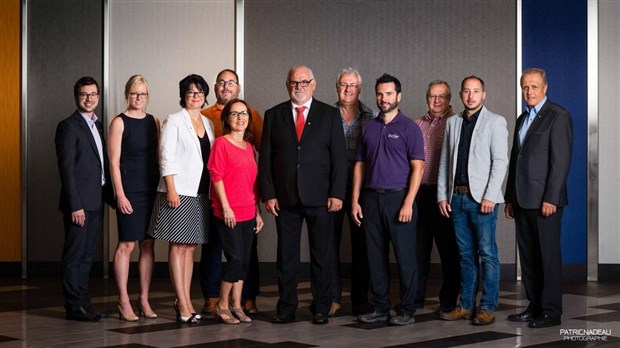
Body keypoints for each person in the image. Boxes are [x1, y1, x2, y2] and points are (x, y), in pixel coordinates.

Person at [259, 65, 347, 325]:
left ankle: (321, 306)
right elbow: (265, 159)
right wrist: (269, 194)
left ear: (314, 84)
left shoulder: (329, 114)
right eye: (294, 82)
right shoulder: (273, 115)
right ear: (287, 85)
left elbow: (339, 158)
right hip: (285, 198)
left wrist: (337, 193)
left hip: (321, 198)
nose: (299, 86)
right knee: (286, 256)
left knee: (322, 255)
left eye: (304, 82)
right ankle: (286, 307)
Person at [351, 73, 425, 326]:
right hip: (371, 199)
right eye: (380, 94)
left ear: (399, 96)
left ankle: (406, 309)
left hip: (399, 199)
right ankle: (380, 307)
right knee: (375, 257)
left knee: (405, 257)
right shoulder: (368, 127)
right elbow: (359, 165)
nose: (384, 98)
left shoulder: (409, 128)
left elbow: (418, 168)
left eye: (389, 94)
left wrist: (408, 203)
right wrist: (355, 200)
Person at [437, 76, 508, 325]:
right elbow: (446, 160)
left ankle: (487, 307)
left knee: (487, 254)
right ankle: (466, 304)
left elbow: (500, 161)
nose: (471, 96)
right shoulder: (452, 123)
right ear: (460, 95)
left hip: (482, 201)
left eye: (475, 91)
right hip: (457, 198)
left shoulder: (496, 122)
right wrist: (442, 195)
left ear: (483, 94)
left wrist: (490, 195)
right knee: (465, 255)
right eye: (466, 91)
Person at [505, 68, 572, 328]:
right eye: (525, 87)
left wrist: (551, 198)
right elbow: (516, 161)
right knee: (529, 256)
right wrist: (510, 197)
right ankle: (535, 305)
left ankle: (551, 311)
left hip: (545, 201)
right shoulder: (523, 119)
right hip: (522, 200)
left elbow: (561, 162)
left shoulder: (558, 115)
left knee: (548, 256)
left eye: (534, 87)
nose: (529, 92)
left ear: (545, 88)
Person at [148, 74, 215, 324]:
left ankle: (185, 300)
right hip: (179, 192)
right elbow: (166, 155)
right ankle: (182, 302)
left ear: (205, 96)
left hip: (200, 193)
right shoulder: (174, 120)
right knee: (178, 247)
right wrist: (171, 188)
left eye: (200, 91)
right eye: (190, 91)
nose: (195, 95)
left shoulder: (208, 124)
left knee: (190, 248)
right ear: (183, 95)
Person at [199, 69, 263, 315]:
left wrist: (257, 209)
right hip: (226, 208)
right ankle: (220, 302)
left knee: (243, 259)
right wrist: (224, 206)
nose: (241, 117)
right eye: (235, 114)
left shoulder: (248, 146)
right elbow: (216, 174)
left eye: (243, 114)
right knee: (229, 257)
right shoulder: (218, 138)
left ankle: (238, 304)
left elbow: (252, 178)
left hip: (248, 209)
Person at [55, 76, 115, 321]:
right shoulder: (68, 126)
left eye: (93, 94)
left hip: (96, 200)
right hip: (79, 204)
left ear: (98, 97)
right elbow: (66, 170)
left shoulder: (98, 125)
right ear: (76, 96)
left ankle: (84, 304)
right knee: (75, 256)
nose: (89, 99)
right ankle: (74, 307)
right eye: (84, 94)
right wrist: (75, 205)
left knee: (88, 256)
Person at [108, 75, 160, 321]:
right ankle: (123, 299)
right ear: (127, 94)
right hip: (129, 191)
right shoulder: (119, 122)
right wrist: (120, 194)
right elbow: (113, 162)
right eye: (134, 94)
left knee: (148, 245)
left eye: (143, 94)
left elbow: (159, 158)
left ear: (148, 97)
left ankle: (144, 299)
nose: (139, 98)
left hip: (151, 190)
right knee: (127, 245)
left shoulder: (154, 121)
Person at [330, 67, 375, 316]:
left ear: (360, 88)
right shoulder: (325, 115)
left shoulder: (372, 116)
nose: (348, 90)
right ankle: (332, 297)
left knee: (362, 246)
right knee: (328, 245)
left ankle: (361, 300)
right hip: (332, 187)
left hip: (363, 187)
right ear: (337, 87)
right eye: (343, 85)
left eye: (352, 85)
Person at [414, 80, 461, 314]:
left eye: (441, 96)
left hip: (444, 194)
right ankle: (415, 297)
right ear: (427, 98)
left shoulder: (457, 123)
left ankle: (449, 299)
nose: (436, 100)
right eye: (432, 96)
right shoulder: (417, 124)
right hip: (420, 193)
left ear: (449, 99)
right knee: (418, 250)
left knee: (448, 251)